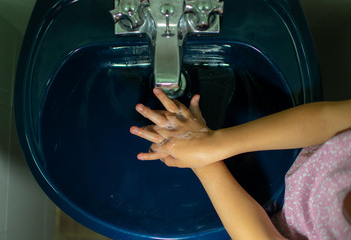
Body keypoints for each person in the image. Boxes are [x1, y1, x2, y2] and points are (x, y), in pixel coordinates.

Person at [130, 88, 351, 240]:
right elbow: (330, 120)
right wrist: (213, 143)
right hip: (311, 154)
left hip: (263, 219)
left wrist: (204, 164)